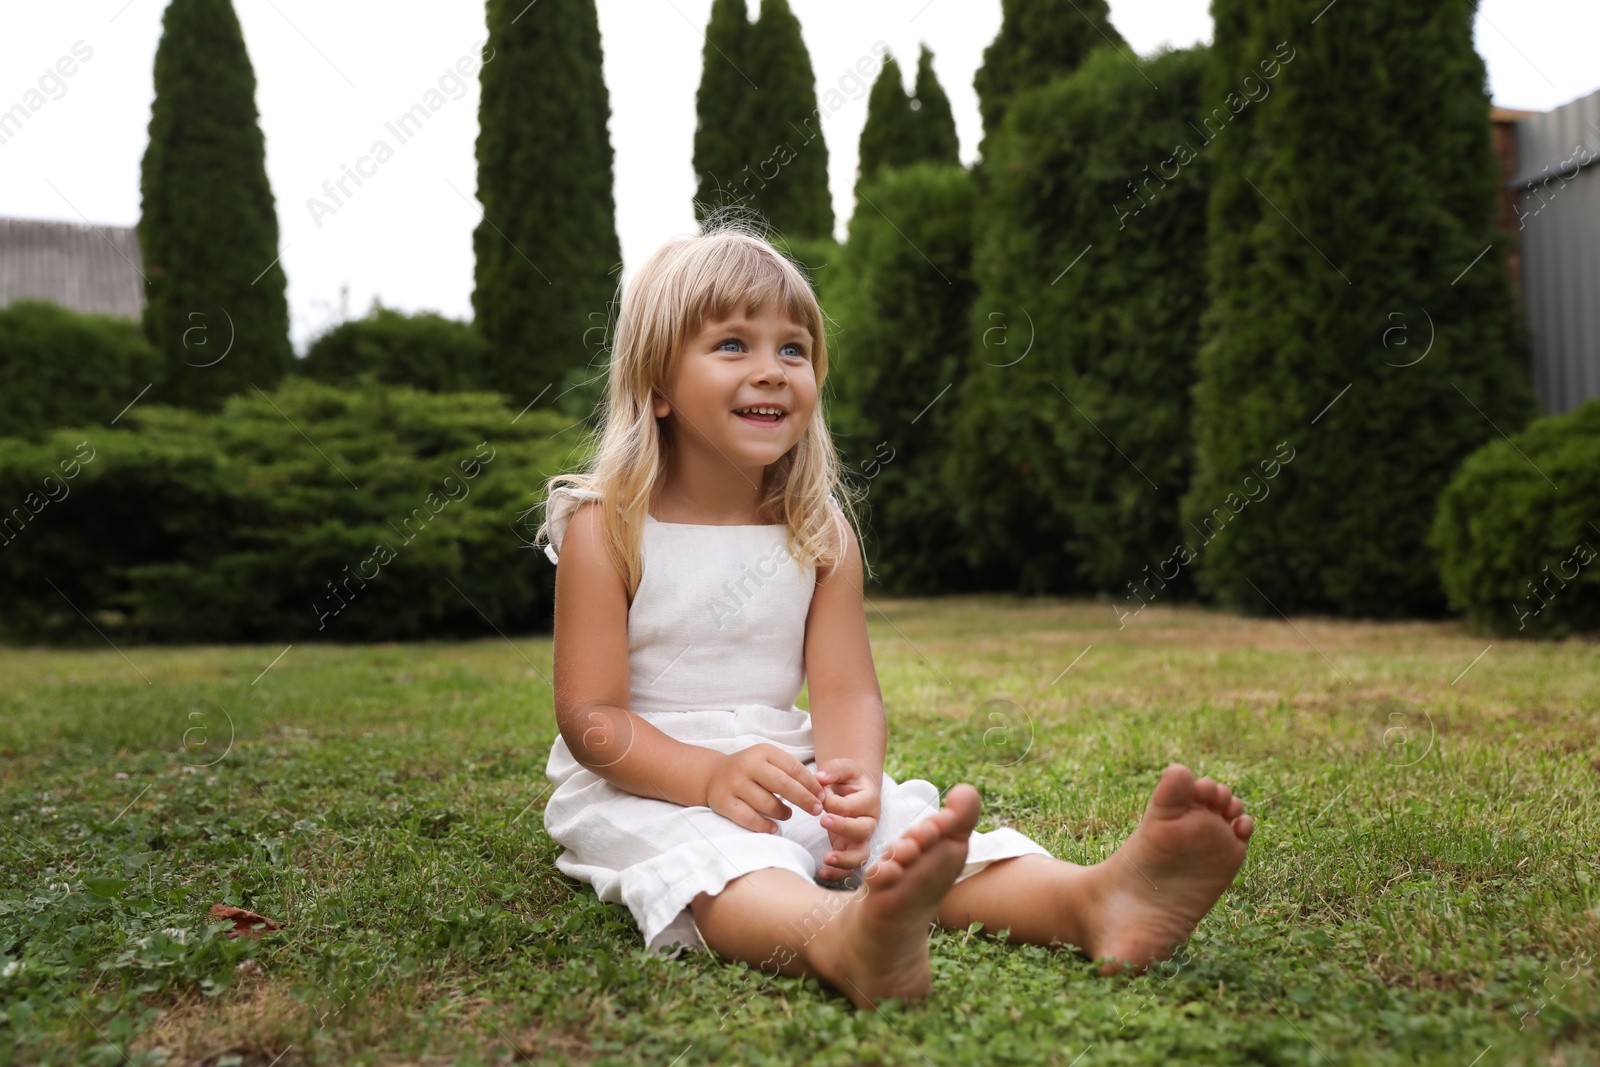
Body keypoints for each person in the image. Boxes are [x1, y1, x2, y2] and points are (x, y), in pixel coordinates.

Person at [535, 220, 1254, 1009]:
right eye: (733, 345)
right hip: (644, 779)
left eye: (794, 349)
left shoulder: (817, 531)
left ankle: (1091, 899)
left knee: (906, 837)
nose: (772, 371)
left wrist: (853, 783)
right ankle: (840, 939)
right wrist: (705, 776)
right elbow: (591, 717)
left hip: (784, 769)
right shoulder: (607, 528)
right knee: (717, 862)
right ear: (659, 386)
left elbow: (845, 693)